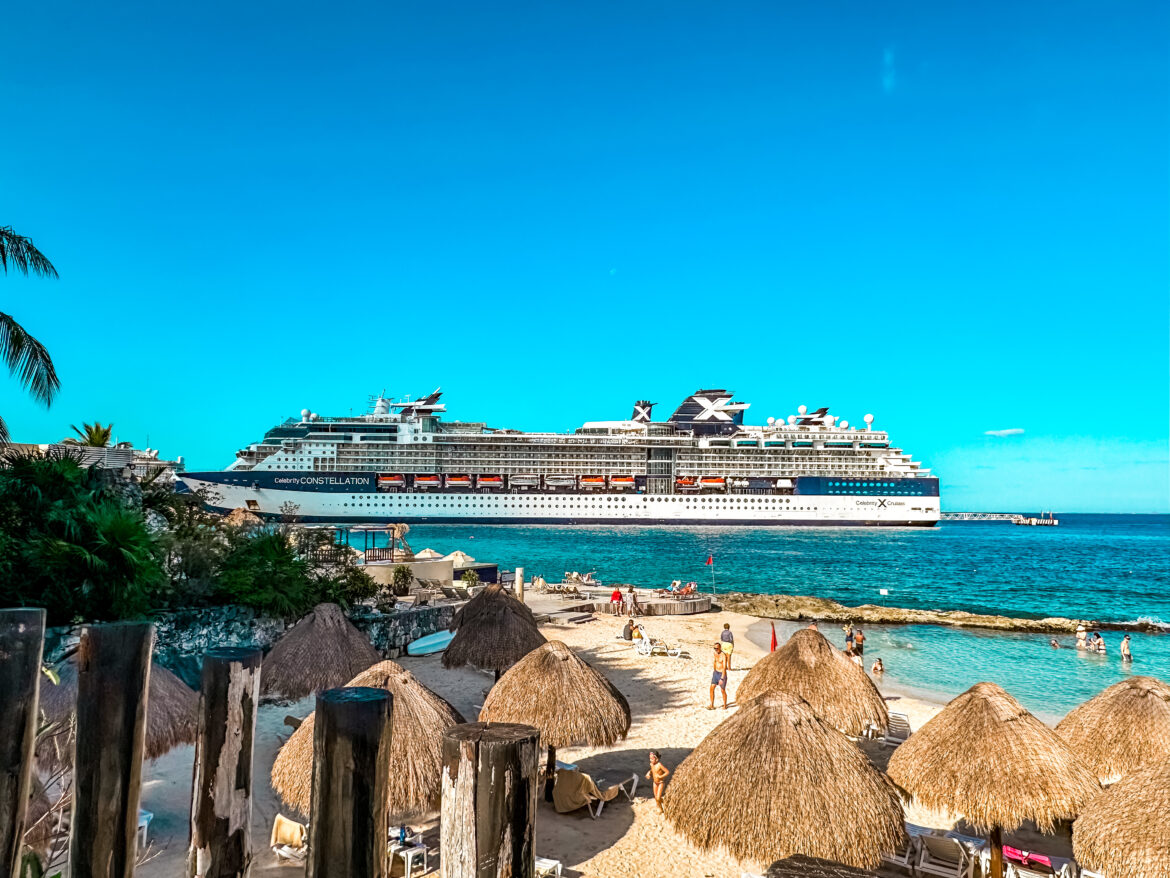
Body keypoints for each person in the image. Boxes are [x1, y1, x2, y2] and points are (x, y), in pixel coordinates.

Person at [709, 642, 728, 710]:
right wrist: (714, 671)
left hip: (721, 674)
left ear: (720, 648)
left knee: (722, 690)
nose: (716, 649)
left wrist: (722, 678)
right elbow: (715, 661)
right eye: (714, 648)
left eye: (717, 648)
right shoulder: (715, 653)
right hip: (716, 673)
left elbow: (724, 667)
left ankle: (725, 705)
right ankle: (711, 705)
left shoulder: (723, 655)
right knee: (711, 688)